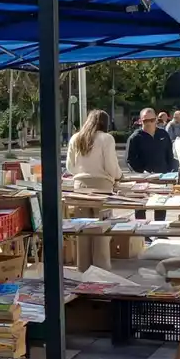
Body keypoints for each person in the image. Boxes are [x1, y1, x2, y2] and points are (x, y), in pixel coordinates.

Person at [67, 110, 122, 270]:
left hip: (80, 187)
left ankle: (83, 268)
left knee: (83, 230)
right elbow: (111, 166)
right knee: (101, 232)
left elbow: (70, 167)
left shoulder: (76, 138)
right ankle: (101, 269)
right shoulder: (106, 139)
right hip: (102, 186)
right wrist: (119, 175)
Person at [126, 108, 179, 175]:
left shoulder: (163, 134)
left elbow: (169, 155)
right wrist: (141, 172)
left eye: (152, 120)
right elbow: (130, 161)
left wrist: (171, 170)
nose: (149, 123)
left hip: (164, 176)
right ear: (140, 121)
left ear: (156, 119)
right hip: (145, 178)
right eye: (146, 121)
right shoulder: (135, 138)